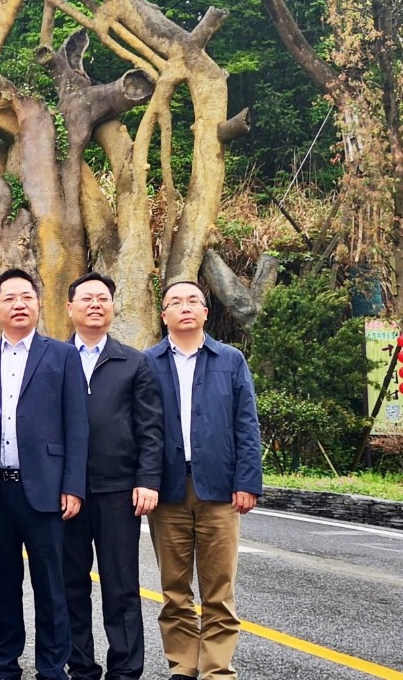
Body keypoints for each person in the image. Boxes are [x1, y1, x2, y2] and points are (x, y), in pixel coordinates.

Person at [0, 268, 88, 680]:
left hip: (47, 489)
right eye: (10, 298)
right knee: (2, 585)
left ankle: (52, 668)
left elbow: (77, 426)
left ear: (38, 303)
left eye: (26, 297)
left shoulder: (63, 356)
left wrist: (73, 485)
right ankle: (4, 666)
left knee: (51, 587)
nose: (19, 305)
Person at [144, 280, 262, 680]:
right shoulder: (148, 362)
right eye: (175, 302)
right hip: (168, 491)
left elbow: (246, 424)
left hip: (220, 490)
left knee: (219, 590)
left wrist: (247, 482)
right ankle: (183, 664)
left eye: (193, 301)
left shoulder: (230, 360)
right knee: (174, 589)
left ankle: (216, 669)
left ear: (205, 312)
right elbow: (141, 429)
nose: (185, 307)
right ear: (164, 315)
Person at [62, 272, 163, 680]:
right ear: (70, 307)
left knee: (121, 586)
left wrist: (148, 479)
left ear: (113, 307)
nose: (95, 305)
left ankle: (125, 669)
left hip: (119, 491)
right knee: (70, 584)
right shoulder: (54, 359)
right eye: (86, 298)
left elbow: (150, 428)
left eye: (103, 298)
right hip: (66, 492)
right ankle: (81, 667)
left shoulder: (133, 362)